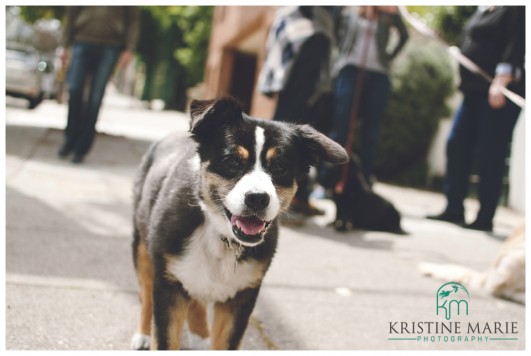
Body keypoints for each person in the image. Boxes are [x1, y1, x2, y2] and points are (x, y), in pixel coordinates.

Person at [428, 6, 525, 232]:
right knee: (456, 144)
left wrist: (502, 81)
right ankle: (454, 208)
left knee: (490, 152)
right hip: (473, 91)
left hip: (498, 91)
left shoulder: (516, 7)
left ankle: (485, 216)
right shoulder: (483, 8)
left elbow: (518, 41)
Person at [258, 6, 336, 221]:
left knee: (308, 128)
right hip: (304, 35)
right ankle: (273, 200)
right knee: (288, 127)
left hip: (316, 38)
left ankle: (299, 197)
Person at [328, 6, 408, 184]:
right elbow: (334, 25)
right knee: (341, 128)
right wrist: (343, 50)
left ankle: (364, 182)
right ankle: (331, 181)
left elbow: (404, 35)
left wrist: (388, 57)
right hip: (350, 70)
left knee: (370, 133)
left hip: (379, 75)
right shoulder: (350, 8)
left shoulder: (389, 12)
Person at [58, 6, 140, 163]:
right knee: (74, 90)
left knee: (95, 98)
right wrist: (64, 44)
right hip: (81, 40)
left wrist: (129, 49)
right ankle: (69, 140)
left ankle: (81, 149)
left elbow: (133, 21)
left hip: (110, 46)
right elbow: (71, 12)